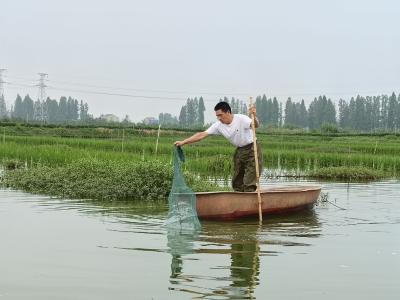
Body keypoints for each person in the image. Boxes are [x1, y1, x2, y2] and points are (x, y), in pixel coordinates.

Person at [174, 101, 263, 192]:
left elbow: (255, 125)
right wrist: (183, 142)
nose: (219, 118)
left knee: (249, 181)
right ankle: (238, 201)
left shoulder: (241, 119)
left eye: (220, 115)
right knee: (237, 182)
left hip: (252, 148)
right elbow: (201, 135)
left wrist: (254, 116)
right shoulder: (218, 125)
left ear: (228, 112)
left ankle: (249, 199)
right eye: (217, 116)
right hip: (240, 150)